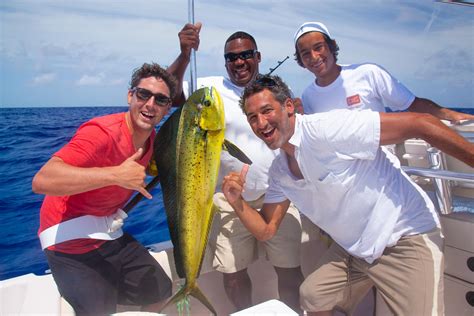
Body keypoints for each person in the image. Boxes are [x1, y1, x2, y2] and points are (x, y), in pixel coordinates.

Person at [221, 74, 474, 315]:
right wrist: (237, 201)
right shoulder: (280, 172)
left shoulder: (326, 129)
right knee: (312, 294)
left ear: (288, 106)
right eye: (253, 117)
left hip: (404, 238)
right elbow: (266, 229)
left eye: (267, 111)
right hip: (355, 252)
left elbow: (421, 123)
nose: (261, 123)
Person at [166, 23, 304, 313]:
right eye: (231, 57)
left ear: (258, 56)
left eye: (246, 54)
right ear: (225, 62)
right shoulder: (209, 89)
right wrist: (184, 55)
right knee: (234, 277)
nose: (239, 61)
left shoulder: (275, 91)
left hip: (277, 195)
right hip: (229, 199)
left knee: (290, 272)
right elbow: (171, 93)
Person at [32, 63, 177, 315]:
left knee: (161, 291)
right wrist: (115, 175)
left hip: (108, 233)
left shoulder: (153, 141)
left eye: (160, 99)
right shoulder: (101, 133)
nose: (150, 104)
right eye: (144, 94)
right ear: (130, 96)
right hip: (68, 241)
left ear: (167, 108)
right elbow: (42, 180)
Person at [293, 21, 474, 122]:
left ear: (332, 46)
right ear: (300, 60)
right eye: (305, 53)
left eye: (319, 47)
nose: (314, 56)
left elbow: (412, 103)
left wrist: (450, 114)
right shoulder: (308, 95)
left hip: (379, 171)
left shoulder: (368, 73)